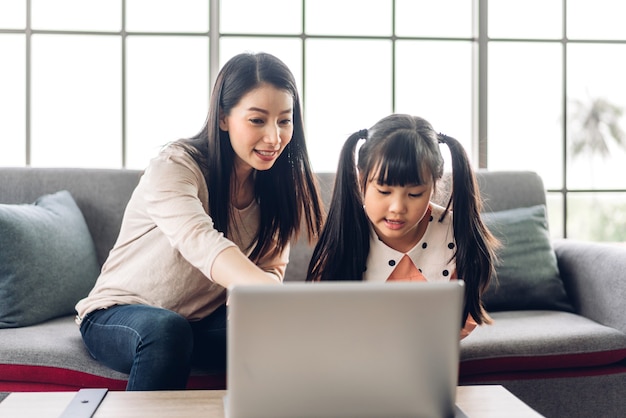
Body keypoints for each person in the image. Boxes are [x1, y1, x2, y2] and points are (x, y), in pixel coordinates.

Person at [75, 52, 324, 390]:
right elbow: (201, 242)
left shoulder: (278, 188)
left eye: (284, 120)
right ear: (223, 118)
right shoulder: (175, 167)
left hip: (198, 323)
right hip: (119, 313)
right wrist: (269, 295)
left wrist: (250, 311)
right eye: (257, 120)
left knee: (272, 334)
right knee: (167, 330)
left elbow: (268, 271)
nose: (274, 137)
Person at [306, 114, 498, 339]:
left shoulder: (455, 235)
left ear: (434, 185)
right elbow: (323, 320)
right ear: (361, 178)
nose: (397, 207)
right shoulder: (344, 235)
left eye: (415, 194)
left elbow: (462, 319)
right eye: (384, 191)